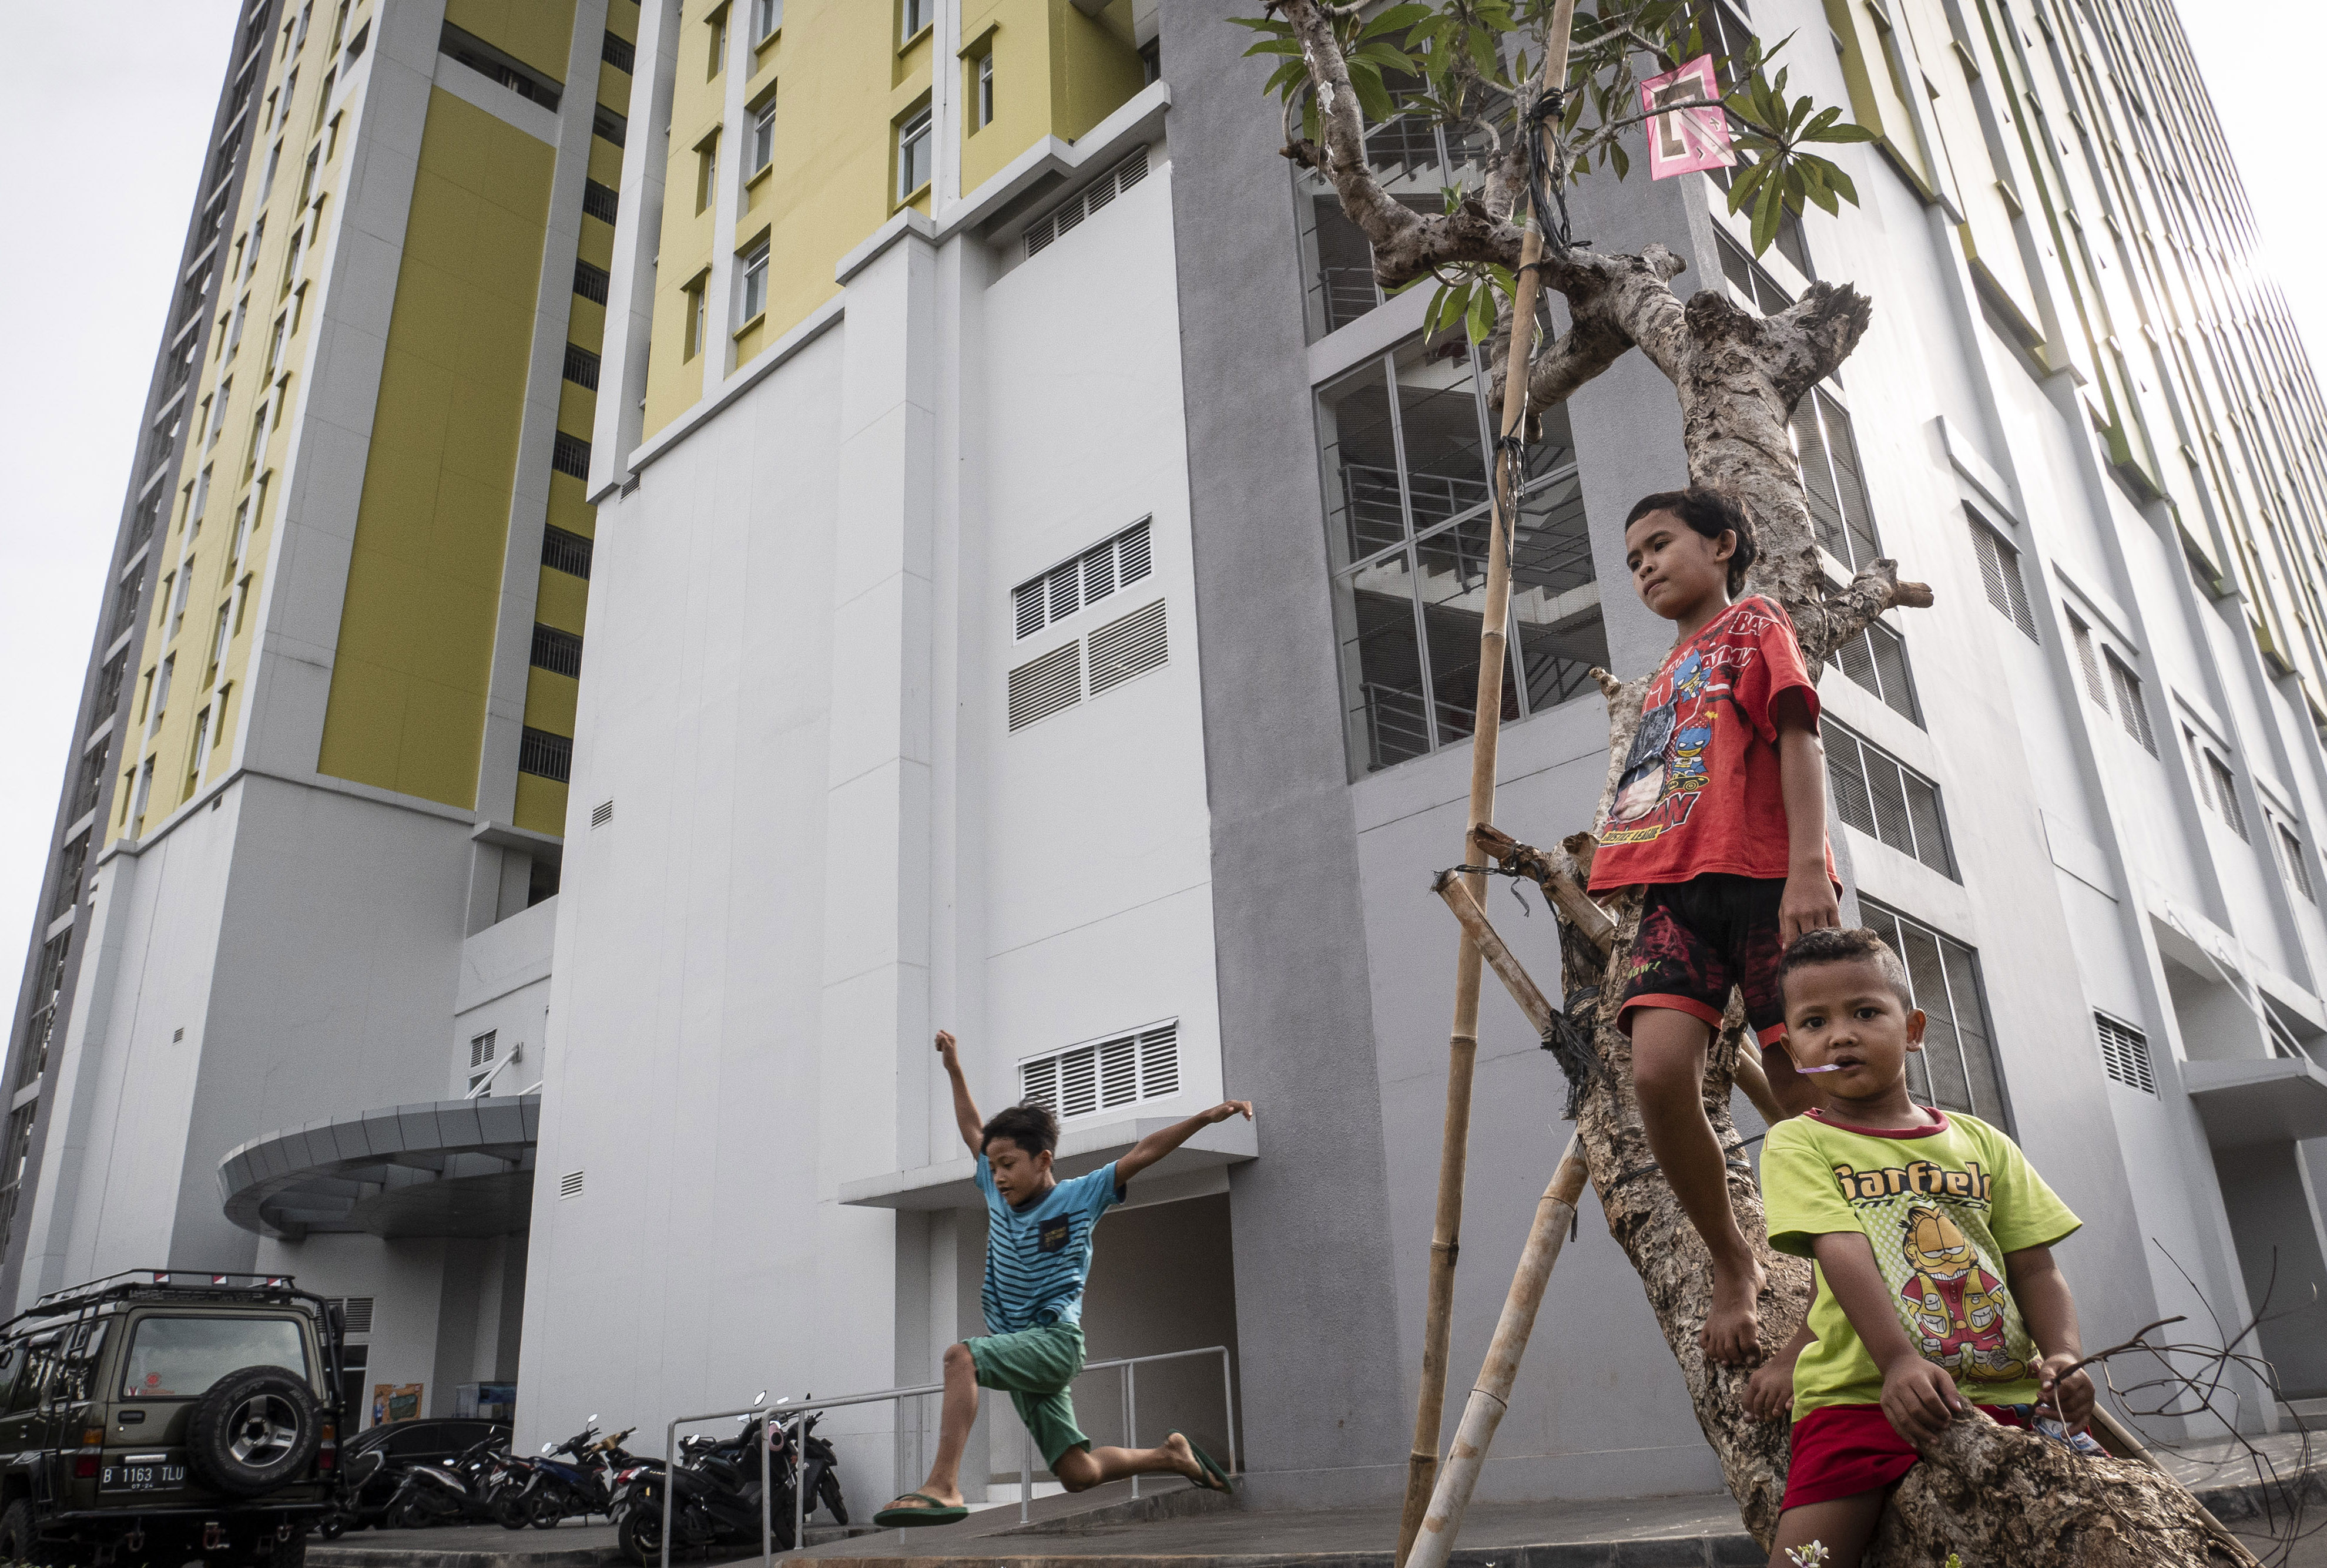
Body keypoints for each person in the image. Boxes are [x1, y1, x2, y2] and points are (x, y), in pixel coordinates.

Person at [1589, 486, 1842, 1364]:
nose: (1646, 566)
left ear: (1724, 544)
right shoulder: (1662, 672)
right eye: (1632, 560)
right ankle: (1735, 1258)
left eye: (1660, 544)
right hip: (1677, 897)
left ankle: (1837, 1291)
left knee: (1809, 1093)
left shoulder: (1757, 624)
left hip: (1770, 880)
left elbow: (1797, 739)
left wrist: (1808, 867)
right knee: (1658, 1074)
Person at [1758, 928, 2092, 1568]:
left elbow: (2035, 1266)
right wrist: (1897, 1362)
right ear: (1795, 1048)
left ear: (1912, 1027)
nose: (1841, 1034)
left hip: (2010, 1402)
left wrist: (2065, 1356)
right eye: (1814, 1021)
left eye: (1865, 1011)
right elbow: (1842, 1249)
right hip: (1862, 1398)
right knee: (1806, 1560)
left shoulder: (1983, 1142)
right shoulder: (1802, 1142)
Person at [874, 1030, 1250, 1526]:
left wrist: (1203, 1117)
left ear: (1043, 1160)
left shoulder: (1081, 1195)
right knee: (1078, 1472)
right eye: (993, 1166)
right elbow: (972, 1127)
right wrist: (953, 1068)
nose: (999, 1176)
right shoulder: (994, 1185)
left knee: (960, 1357)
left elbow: (1144, 1151)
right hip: (1023, 1347)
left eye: (1008, 1165)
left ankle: (943, 1484)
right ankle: (1171, 1455)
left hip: (1055, 1342)